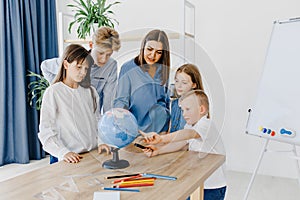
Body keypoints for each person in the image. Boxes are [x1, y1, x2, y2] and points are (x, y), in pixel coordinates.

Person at [141, 90, 227, 200]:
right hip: (198, 182)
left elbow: (187, 134)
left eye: (188, 109)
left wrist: (161, 138)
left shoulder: (206, 124)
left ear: (201, 109)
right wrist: (158, 150)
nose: (184, 114)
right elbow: (181, 143)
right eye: (182, 110)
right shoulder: (190, 125)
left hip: (212, 186)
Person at [38, 44, 110, 164]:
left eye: (86, 69)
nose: (83, 72)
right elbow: (46, 130)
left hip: (91, 154)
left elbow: (97, 120)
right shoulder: (54, 92)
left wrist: (101, 142)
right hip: (67, 157)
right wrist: (63, 152)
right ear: (66, 65)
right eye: (79, 67)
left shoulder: (90, 91)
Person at [41, 26, 121, 113]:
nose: (104, 59)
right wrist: (58, 89)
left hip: (92, 115)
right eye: (100, 53)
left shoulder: (111, 65)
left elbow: (109, 99)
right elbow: (45, 67)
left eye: (109, 54)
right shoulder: (74, 60)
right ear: (91, 45)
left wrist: (108, 120)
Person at [113, 29, 171, 133]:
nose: (152, 56)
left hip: (161, 129)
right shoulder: (128, 68)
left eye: (158, 52)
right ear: (143, 47)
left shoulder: (163, 70)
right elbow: (121, 100)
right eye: (149, 49)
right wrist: (121, 122)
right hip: (137, 130)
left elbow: (166, 101)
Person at [170, 64, 205, 133]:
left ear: (194, 84)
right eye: (177, 81)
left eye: (184, 82)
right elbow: (171, 129)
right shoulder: (174, 103)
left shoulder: (196, 107)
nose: (179, 86)